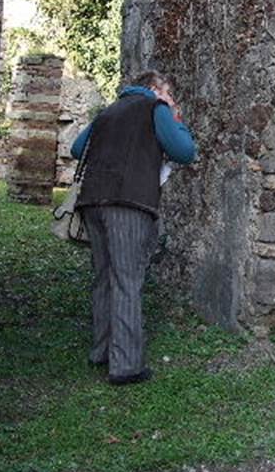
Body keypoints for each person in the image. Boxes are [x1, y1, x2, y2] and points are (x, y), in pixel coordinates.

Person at [69, 70, 196, 385]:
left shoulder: (108, 112)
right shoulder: (155, 107)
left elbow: (76, 149)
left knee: (103, 278)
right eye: (168, 92)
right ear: (154, 88)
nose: (170, 99)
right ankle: (125, 366)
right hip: (128, 202)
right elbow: (185, 151)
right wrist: (175, 119)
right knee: (127, 279)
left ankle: (101, 351)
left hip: (92, 201)